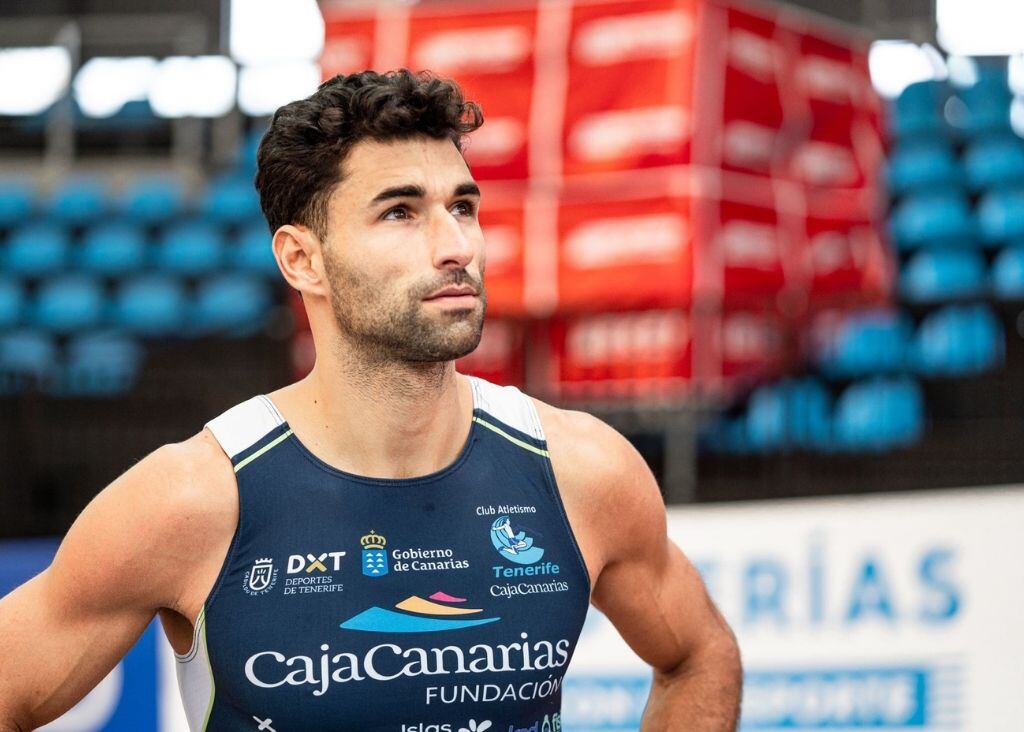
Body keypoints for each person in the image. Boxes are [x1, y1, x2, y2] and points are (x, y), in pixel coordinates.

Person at [0, 70, 741, 731]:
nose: (456, 246)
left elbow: (699, 655)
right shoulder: (191, 499)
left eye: (463, 207)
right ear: (302, 260)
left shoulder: (581, 469)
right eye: (400, 212)